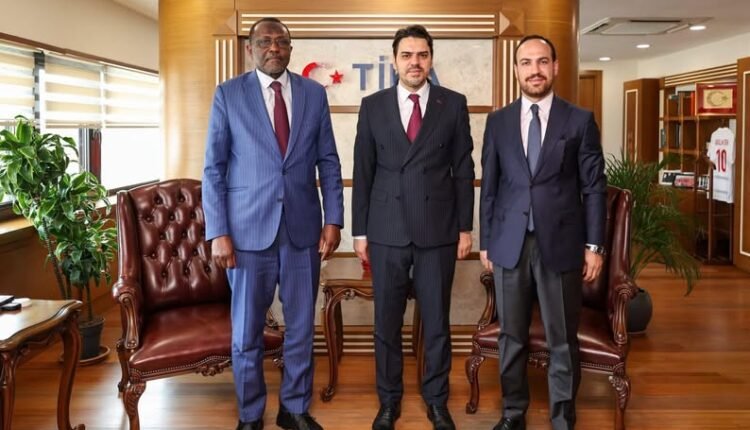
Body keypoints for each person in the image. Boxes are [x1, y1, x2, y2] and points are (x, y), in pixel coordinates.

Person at [202, 17, 344, 430]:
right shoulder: (229, 94)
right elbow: (214, 169)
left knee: (300, 327)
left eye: (281, 41)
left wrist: (334, 219)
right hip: (246, 234)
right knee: (247, 332)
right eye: (265, 41)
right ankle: (250, 414)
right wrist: (218, 232)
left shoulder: (313, 94)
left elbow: (329, 162)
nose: (274, 48)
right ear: (251, 49)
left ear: (290, 48)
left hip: (302, 231)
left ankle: (294, 408)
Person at [479, 35, 607, 430]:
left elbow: (593, 187)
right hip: (509, 244)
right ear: (516, 70)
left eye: (541, 61)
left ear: (554, 66)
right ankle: (512, 414)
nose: (534, 70)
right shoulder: (498, 122)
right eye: (526, 62)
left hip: (562, 244)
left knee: (562, 339)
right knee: (511, 336)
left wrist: (594, 245)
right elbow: (490, 186)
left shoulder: (579, 120)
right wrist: (486, 241)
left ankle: (562, 419)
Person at [352, 24, 474, 430]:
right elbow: (363, 171)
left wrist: (465, 228)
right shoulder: (372, 106)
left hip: (437, 230)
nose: (415, 62)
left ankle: (436, 401)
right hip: (385, 229)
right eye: (407, 55)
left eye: (422, 55)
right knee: (386, 324)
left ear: (431, 59)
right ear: (394, 61)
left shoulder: (452, 104)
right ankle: (389, 401)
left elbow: (464, 170)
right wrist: (359, 232)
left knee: (436, 322)